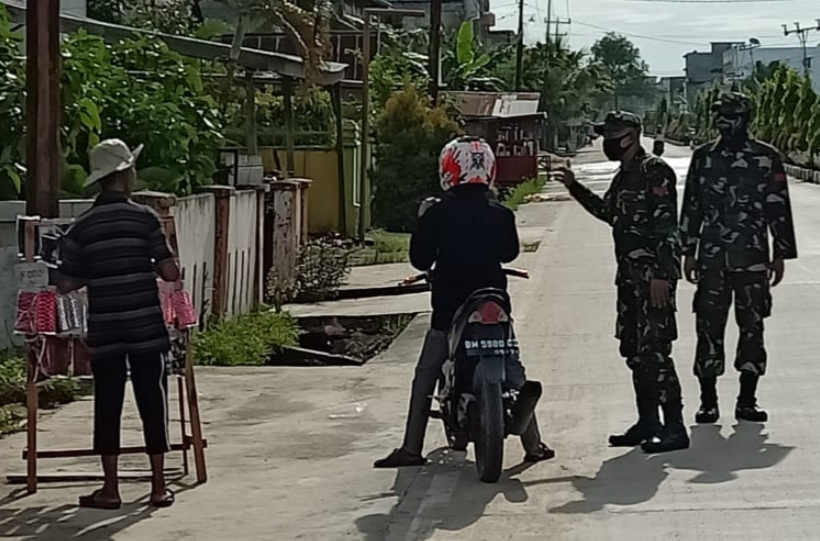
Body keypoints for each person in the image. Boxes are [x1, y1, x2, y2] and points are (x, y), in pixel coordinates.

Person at [374, 136, 554, 468]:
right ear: (488, 169)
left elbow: (420, 260)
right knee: (512, 366)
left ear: (448, 169)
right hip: (495, 303)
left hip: (450, 307)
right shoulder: (500, 214)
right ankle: (535, 444)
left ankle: (411, 448)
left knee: (426, 373)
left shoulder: (437, 214)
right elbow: (509, 254)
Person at [554, 111, 689, 454]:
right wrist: (574, 186)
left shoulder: (653, 171)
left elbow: (668, 229)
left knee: (656, 351)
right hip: (628, 278)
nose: (606, 141)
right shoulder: (624, 175)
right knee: (634, 350)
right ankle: (648, 422)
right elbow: (608, 214)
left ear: (631, 136)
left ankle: (674, 427)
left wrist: (662, 274)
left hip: (652, 279)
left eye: (612, 134)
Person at [56, 139, 180, 509]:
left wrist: (96, 273)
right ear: (126, 174)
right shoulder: (145, 218)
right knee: (152, 400)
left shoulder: (82, 227)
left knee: (107, 403)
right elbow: (169, 271)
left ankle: (110, 489)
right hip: (145, 324)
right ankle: (158, 487)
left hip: (106, 327)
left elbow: (65, 283)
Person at [680, 92, 797, 424]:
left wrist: (780, 253)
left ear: (745, 118)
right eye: (719, 114)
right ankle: (708, 401)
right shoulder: (703, 157)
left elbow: (779, 206)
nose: (724, 121)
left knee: (752, 329)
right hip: (712, 260)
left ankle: (747, 400)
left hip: (753, 259)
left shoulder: (766, 157)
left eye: (731, 115)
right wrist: (689, 251)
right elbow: (692, 205)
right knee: (708, 329)